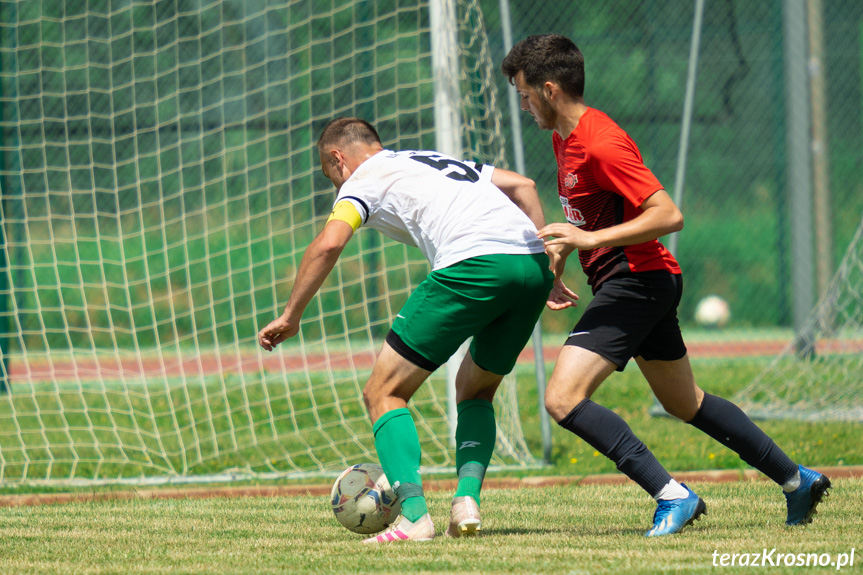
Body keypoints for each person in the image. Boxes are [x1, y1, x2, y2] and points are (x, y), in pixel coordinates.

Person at [501, 34, 831, 536]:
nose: (523, 105)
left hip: (637, 281)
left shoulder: (600, 141)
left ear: (549, 89)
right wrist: (567, 255)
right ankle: (796, 480)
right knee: (685, 403)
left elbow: (668, 214)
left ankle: (672, 495)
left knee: (562, 399)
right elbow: (587, 219)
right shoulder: (563, 139)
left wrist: (589, 239)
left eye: (524, 94)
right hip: (640, 281)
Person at [258, 118, 554, 543]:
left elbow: (329, 243)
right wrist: (550, 262)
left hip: (474, 265)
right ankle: (466, 500)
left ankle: (414, 518)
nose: (336, 186)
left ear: (337, 158)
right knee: (475, 388)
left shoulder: (362, 180)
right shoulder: (428, 159)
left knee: (382, 392)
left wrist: (291, 314)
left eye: (330, 176)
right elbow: (524, 185)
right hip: (531, 266)